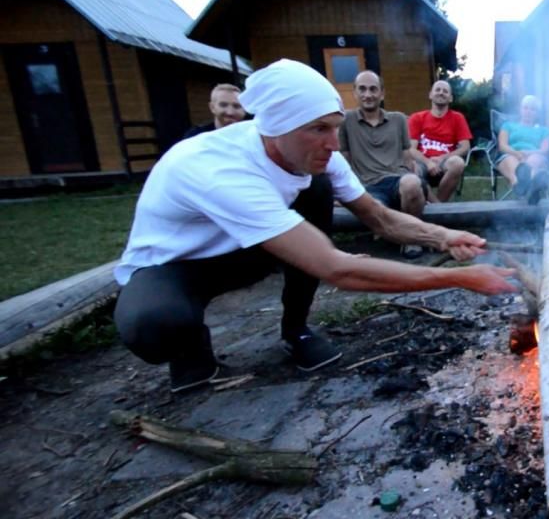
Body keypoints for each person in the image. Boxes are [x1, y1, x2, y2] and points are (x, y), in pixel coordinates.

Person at [114, 59, 516, 393]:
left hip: (247, 250)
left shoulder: (314, 152)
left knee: (317, 188)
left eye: (335, 127)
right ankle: (189, 349)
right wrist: (461, 279)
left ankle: (296, 330)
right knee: (153, 323)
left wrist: (444, 236)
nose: (334, 143)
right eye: (319, 129)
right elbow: (336, 268)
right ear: (275, 129)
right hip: (175, 266)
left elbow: (377, 216)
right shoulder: (219, 170)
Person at [339, 71, 428, 258]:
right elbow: (344, 161)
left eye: (373, 89)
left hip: (398, 180)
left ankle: (412, 239)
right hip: (369, 186)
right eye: (362, 89)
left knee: (411, 183)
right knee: (374, 206)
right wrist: (341, 193)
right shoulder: (346, 121)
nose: (368, 94)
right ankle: (392, 237)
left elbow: (407, 158)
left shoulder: (398, 119)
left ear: (382, 93)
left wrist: (417, 177)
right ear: (354, 93)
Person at [408, 80, 472, 202]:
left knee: (458, 163)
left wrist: (442, 158)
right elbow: (411, 148)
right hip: (422, 162)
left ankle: (438, 206)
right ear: (430, 94)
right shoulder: (417, 118)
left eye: (445, 91)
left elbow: (465, 147)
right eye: (437, 90)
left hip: (445, 163)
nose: (441, 93)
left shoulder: (457, 118)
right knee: (410, 166)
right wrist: (428, 162)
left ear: (450, 98)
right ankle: (439, 207)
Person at [495, 94, 549, 204]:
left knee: (534, 159)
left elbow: (545, 150)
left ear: (537, 114)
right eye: (525, 108)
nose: (528, 111)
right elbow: (502, 146)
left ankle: (522, 188)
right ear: (520, 110)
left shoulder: (544, 130)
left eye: (532, 109)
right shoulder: (508, 126)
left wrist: (528, 153)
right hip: (510, 155)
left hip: (534, 156)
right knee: (513, 163)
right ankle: (532, 190)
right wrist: (516, 153)